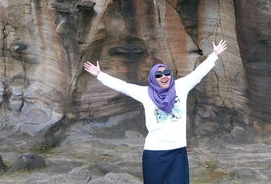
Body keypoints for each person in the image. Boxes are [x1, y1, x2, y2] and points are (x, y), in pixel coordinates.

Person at [84, 39, 228, 184]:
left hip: (178, 152)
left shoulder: (181, 86)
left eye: (166, 73)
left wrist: (214, 54)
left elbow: (198, 73)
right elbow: (124, 87)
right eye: (158, 75)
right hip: (154, 152)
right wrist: (99, 74)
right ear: (153, 79)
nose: (163, 77)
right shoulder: (145, 93)